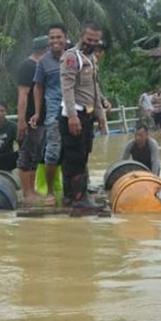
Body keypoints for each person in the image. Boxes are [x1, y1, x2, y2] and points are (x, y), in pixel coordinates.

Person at [59, 20, 107, 209]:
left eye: (96, 41)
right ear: (81, 37)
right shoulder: (71, 58)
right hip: (74, 115)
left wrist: (101, 115)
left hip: (87, 115)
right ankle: (79, 199)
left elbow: (94, 89)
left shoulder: (92, 59)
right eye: (89, 39)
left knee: (81, 155)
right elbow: (67, 89)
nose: (92, 43)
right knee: (75, 158)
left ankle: (72, 196)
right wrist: (72, 117)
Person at [29, 24, 68, 205]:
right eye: (52, 38)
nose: (55, 41)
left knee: (76, 151)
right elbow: (38, 87)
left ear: (65, 38)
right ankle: (51, 192)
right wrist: (37, 113)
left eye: (58, 37)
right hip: (53, 112)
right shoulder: (43, 62)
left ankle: (74, 189)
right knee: (52, 152)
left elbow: (87, 83)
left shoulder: (74, 57)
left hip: (75, 110)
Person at [16, 36, 49, 201]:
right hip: (29, 120)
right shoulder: (28, 67)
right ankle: (26, 192)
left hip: (41, 120)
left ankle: (32, 190)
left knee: (36, 155)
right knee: (26, 155)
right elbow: (22, 95)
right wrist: (21, 120)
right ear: (44, 50)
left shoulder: (39, 66)